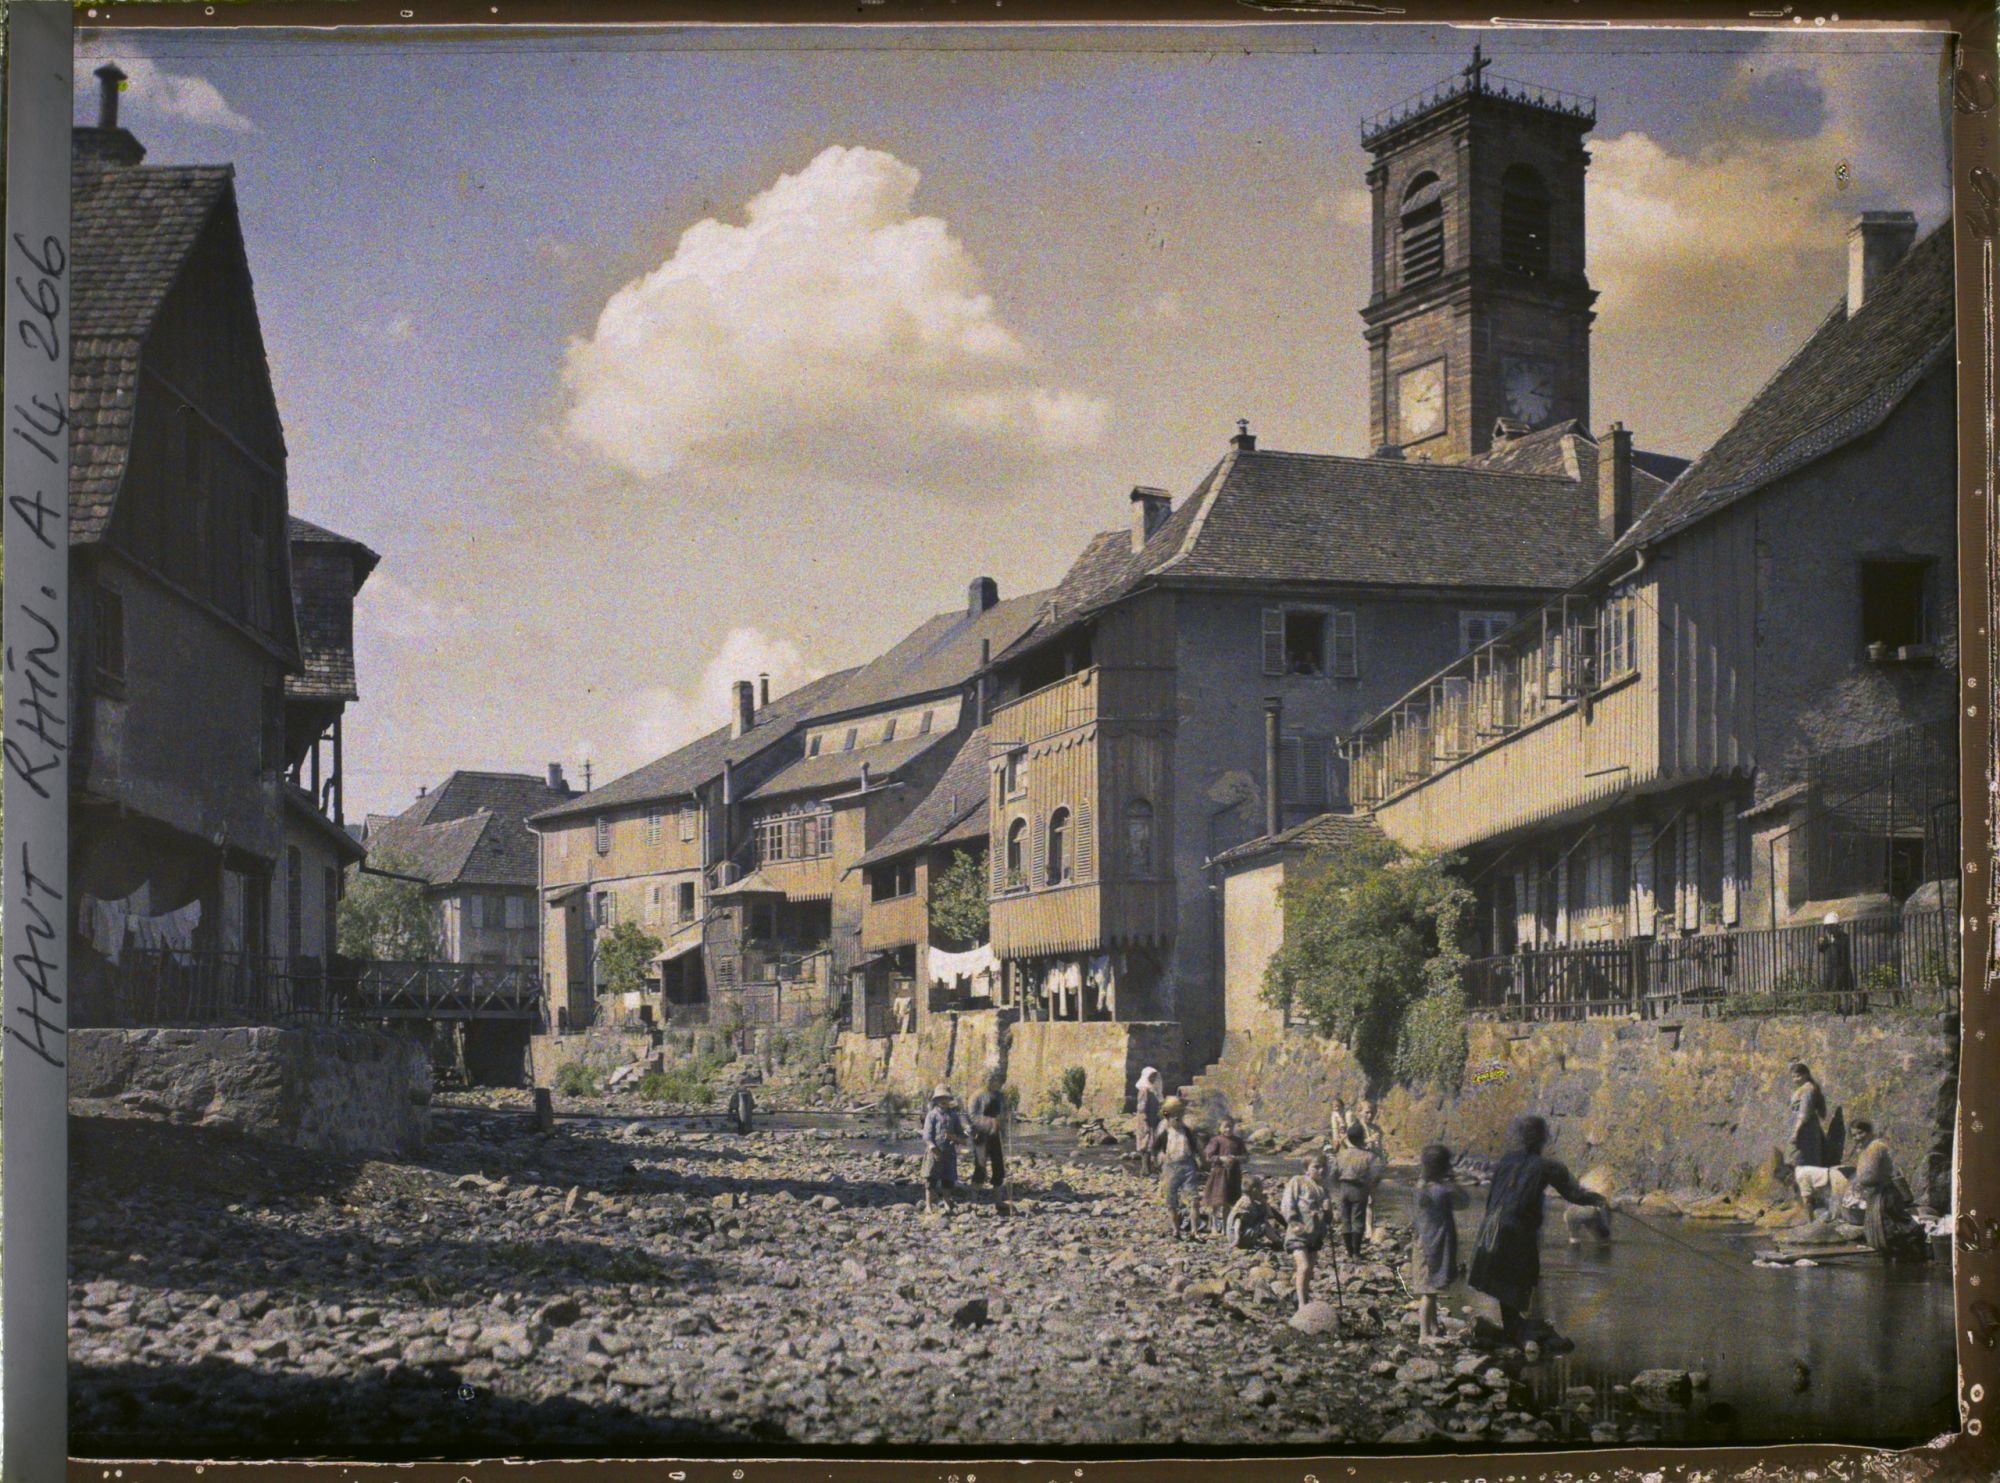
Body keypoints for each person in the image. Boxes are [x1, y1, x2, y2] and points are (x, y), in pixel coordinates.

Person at [1467, 1114, 1610, 1350]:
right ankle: (1517, 1329)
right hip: (1518, 1227)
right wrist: (1599, 1200)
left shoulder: (1506, 1160)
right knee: (1520, 1273)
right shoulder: (1547, 1166)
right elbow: (1574, 1194)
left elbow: (1493, 1196)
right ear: (1543, 1139)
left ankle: (1512, 1323)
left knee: (1504, 1274)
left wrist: (1489, 1222)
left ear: (1521, 1137)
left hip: (1492, 1224)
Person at [1411, 1143, 1470, 1345]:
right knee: (1429, 1292)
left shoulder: (1422, 1186)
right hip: (1434, 1245)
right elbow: (1464, 1202)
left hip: (1424, 1241)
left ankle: (1433, 1327)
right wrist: (1453, 1180)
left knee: (1431, 1289)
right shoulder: (1440, 1191)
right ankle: (1423, 1334)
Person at [1851, 1120, 1929, 1261]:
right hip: (1876, 1194)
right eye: (1854, 1135)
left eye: (1860, 1133)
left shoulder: (1876, 1147)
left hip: (1885, 1194)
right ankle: (1898, 1255)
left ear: (1869, 1132)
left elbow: (1872, 1173)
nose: (1857, 1137)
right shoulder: (1865, 1149)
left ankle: (1915, 1250)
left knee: (1892, 1225)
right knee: (1886, 1227)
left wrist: (1862, 1183)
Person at [1279, 1154, 1333, 1311]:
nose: (1321, 1170)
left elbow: (1328, 1219)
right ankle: (1301, 1304)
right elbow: (1287, 1203)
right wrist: (1293, 1222)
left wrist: (1328, 1211)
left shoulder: (1323, 1189)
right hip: (1298, 1233)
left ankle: (1303, 1296)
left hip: (1315, 1234)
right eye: (1316, 1167)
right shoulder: (1298, 1181)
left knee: (1309, 1269)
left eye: (1324, 1167)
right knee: (1303, 1266)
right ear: (1306, 1169)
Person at [1151, 1096, 1207, 1240]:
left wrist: (1201, 1160)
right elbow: (1154, 1149)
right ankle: (1176, 1230)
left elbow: (1196, 1148)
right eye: (1173, 1116)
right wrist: (1158, 1158)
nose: (1177, 1119)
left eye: (1179, 1116)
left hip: (1187, 1165)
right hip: (1170, 1167)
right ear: (1168, 1118)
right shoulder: (1165, 1133)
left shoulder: (1187, 1131)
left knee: (1194, 1199)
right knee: (1171, 1201)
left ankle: (1194, 1230)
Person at [1330, 1121, 1379, 1260]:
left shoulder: (1340, 1155)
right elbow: (1375, 1176)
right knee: (1358, 1219)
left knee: (1345, 1219)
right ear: (1362, 1138)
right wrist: (1370, 1188)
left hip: (1343, 1188)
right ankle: (1356, 1252)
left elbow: (1332, 1174)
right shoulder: (1369, 1156)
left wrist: (1336, 1187)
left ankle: (1349, 1251)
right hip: (1359, 1189)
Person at [922, 1084, 969, 1213]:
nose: (943, 1100)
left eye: (946, 1098)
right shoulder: (932, 1115)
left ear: (949, 1100)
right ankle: (928, 1205)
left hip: (949, 1152)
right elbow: (927, 1135)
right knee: (930, 1179)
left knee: (948, 1179)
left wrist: (958, 1136)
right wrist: (933, 1147)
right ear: (936, 1100)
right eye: (940, 1098)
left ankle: (947, 1203)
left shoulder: (954, 1116)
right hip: (934, 1152)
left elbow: (961, 1134)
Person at [1201, 1115, 1250, 1236]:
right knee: (1216, 1201)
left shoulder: (1238, 1141)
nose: (1228, 1129)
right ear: (1219, 1128)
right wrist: (1221, 1158)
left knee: (1228, 1201)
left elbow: (1246, 1157)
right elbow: (1208, 1156)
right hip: (1219, 1173)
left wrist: (1235, 1158)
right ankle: (1213, 1227)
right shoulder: (1216, 1140)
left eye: (1231, 1127)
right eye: (1225, 1127)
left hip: (1233, 1174)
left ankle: (1225, 1228)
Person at [968, 1072, 1009, 1203]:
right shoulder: (976, 1096)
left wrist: (1004, 1132)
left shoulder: (1001, 1097)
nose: (993, 1082)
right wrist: (990, 1123)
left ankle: (997, 1198)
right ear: (984, 1080)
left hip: (996, 1136)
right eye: (990, 1080)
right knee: (980, 1165)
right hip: (981, 1136)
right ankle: (974, 1199)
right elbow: (972, 1116)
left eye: (996, 1080)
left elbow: (1004, 1115)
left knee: (998, 1166)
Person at [1787, 1062, 1828, 1172]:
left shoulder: (1808, 1089)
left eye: (1798, 1076)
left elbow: (1804, 1113)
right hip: (1800, 1127)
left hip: (1805, 1129)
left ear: (1806, 1075)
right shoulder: (1801, 1090)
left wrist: (1796, 1132)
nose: (1795, 1079)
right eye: (1793, 1077)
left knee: (1805, 1160)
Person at [1817, 914, 1857, 1013]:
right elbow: (1821, 949)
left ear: (1836, 926)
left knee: (1846, 988)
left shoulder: (1844, 937)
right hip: (1832, 967)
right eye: (1827, 927)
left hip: (1843, 966)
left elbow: (1842, 947)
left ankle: (1850, 1007)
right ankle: (1837, 1007)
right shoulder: (1828, 938)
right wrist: (1820, 943)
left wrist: (1833, 941)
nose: (1829, 930)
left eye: (1831, 927)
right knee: (1834, 988)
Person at [1227, 1176, 1279, 1250]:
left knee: (1262, 1220)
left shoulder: (1249, 1201)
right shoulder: (1246, 1204)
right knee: (1264, 1225)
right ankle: (1278, 1241)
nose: (1263, 1190)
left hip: (1240, 1235)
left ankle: (1276, 1239)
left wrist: (1265, 1204)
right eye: (1261, 1188)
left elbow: (1270, 1215)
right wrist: (1237, 1239)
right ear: (1255, 1190)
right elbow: (1238, 1220)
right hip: (1238, 1238)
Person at [1362, 1103, 1389, 1238]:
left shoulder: (1376, 1129)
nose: (1370, 1115)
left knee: (1371, 1199)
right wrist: (1369, 1140)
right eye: (1367, 1112)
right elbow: (1351, 1146)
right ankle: (1363, 1228)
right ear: (1359, 1112)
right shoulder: (1356, 1128)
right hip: (1361, 1167)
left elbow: (1380, 1148)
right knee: (1363, 1198)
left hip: (1373, 1166)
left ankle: (1369, 1228)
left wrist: (1383, 1159)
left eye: (1372, 1113)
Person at [1133, 1067, 1165, 1177]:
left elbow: (1161, 1106)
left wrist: (1166, 1115)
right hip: (1146, 1120)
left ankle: (1151, 1167)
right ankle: (1145, 1169)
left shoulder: (1154, 1090)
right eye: (1151, 1076)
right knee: (1145, 1143)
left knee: (1152, 1143)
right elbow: (1141, 1107)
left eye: (1154, 1076)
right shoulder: (1144, 1090)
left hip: (1154, 1119)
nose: (1153, 1079)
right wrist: (1146, 1120)